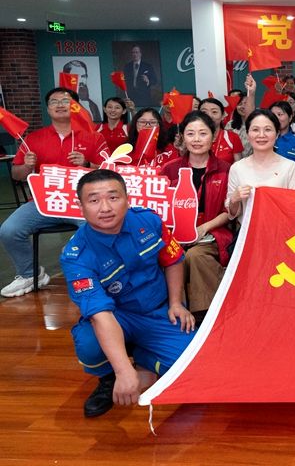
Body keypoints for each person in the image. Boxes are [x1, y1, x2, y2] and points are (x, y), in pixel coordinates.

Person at [59, 169, 195, 417]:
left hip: (158, 311)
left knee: (193, 368)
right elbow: (100, 314)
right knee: (88, 343)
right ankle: (109, 378)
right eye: (94, 200)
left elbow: (173, 259)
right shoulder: (76, 255)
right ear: (81, 207)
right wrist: (122, 372)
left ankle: (143, 360)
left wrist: (176, 303)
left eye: (113, 197)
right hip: (116, 316)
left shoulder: (148, 220)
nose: (105, 208)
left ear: (127, 199)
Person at [0, 88, 109, 298]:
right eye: (54, 101)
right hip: (45, 202)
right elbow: (17, 175)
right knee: (9, 230)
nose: (60, 105)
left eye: (65, 101)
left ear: (76, 107)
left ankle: (93, 274)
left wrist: (88, 164)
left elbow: (109, 171)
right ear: (48, 108)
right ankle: (30, 274)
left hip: (82, 203)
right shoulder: (33, 139)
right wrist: (27, 166)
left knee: (97, 228)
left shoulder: (94, 137)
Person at [161, 111, 233, 319]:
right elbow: (160, 206)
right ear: (182, 137)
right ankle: (173, 313)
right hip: (173, 233)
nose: (197, 139)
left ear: (213, 136)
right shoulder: (170, 169)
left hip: (212, 231)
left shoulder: (226, 170)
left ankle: (206, 316)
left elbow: (229, 211)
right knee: (171, 256)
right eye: (190, 134)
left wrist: (204, 228)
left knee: (195, 256)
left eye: (203, 133)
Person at [226, 109, 295, 223]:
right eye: (255, 130)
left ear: (277, 134)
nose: (261, 135)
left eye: (268, 129)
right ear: (247, 134)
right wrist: (234, 199)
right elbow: (233, 214)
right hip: (248, 230)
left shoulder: (289, 167)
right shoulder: (237, 168)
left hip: (281, 229)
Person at [199, 98, 244, 164]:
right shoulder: (193, 138)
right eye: (204, 112)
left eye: (214, 112)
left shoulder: (232, 137)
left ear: (223, 116)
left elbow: (238, 165)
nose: (209, 116)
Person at [270, 101, 295, 172]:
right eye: (273, 115)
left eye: (280, 114)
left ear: (290, 117)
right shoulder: (263, 139)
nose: (276, 118)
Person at [225, 74, 256, 157]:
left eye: (246, 103)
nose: (243, 106)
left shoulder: (257, 124)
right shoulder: (230, 125)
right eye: (240, 104)